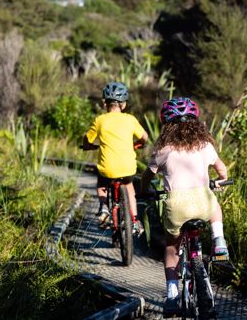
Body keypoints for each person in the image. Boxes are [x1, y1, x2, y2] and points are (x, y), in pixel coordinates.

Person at [140, 97, 229, 316]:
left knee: (171, 248)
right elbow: (223, 171)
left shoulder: (164, 149)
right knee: (215, 207)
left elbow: (147, 175)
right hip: (203, 203)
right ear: (195, 123)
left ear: (167, 125)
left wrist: (145, 188)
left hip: (176, 206)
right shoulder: (205, 145)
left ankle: (171, 295)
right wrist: (218, 181)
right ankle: (219, 241)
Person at [82, 82, 148, 234]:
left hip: (107, 168)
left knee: (101, 183)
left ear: (105, 103)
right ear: (123, 104)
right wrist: (138, 144)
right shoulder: (130, 119)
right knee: (130, 188)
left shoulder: (100, 120)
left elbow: (87, 138)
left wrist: (87, 146)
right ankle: (135, 220)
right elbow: (144, 136)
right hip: (128, 168)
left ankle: (104, 207)